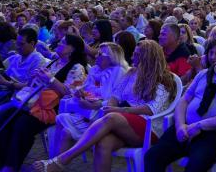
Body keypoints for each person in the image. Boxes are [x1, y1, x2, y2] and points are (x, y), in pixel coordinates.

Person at [0, 34, 88, 172]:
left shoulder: (77, 68)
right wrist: (35, 78)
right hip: (32, 101)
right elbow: (32, 85)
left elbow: (71, 93)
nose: (59, 44)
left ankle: (10, 167)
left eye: (63, 43)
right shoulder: (54, 61)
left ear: (72, 48)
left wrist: (50, 79)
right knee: (1, 120)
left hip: (50, 108)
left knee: (21, 125)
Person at [34, 40, 176, 172]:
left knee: (112, 117)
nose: (132, 56)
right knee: (103, 143)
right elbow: (115, 96)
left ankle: (62, 160)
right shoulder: (132, 73)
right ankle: (62, 159)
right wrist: (111, 106)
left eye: (137, 54)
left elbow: (151, 109)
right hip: (123, 122)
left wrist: (119, 110)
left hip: (148, 127)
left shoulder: (162, 78)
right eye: (134, 53)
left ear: (147, 57)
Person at [144, 38, 216, 172]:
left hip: (211, 135)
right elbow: (184, 100)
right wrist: (180, 125)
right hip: (184, 127)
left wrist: (200, 125)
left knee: (195, 167)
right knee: (153, 156)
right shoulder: (204, 74)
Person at [47, 42, 129, 157]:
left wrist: (95, 104)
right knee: (62, 124)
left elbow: (118, 101)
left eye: (100, 54)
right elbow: (85, 88)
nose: (96, 56)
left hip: (102, 116)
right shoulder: (95, 69)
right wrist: (79, 93)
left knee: (64, 129)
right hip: (86, 111)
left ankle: (54, 164)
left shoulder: (119, 72)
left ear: (111, 58)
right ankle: (54, 163)